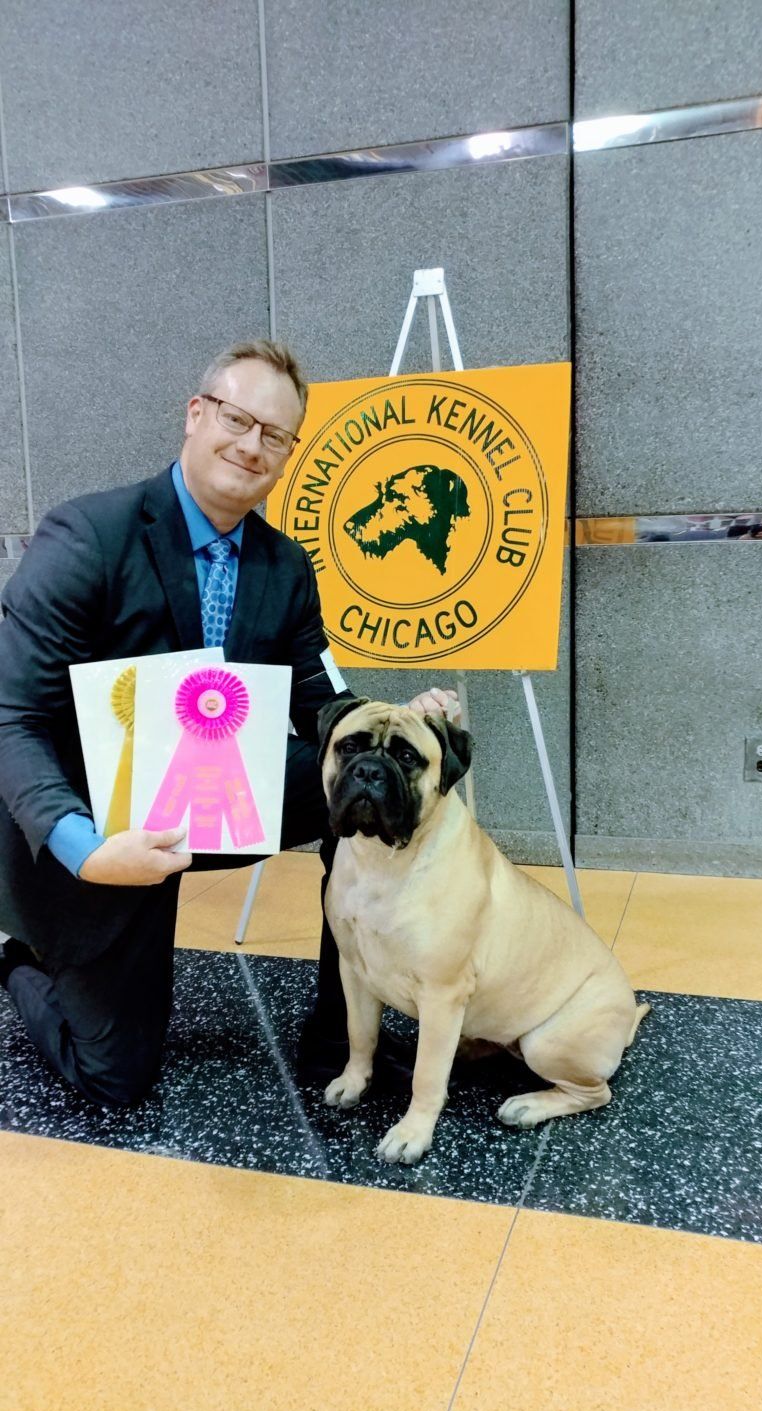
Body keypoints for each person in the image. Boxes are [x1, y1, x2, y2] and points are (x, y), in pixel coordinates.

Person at [0, 340, 455, 1107]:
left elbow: (322, 699)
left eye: (274, 435)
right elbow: (13, 719)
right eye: (237, 419)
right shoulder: (86, 537)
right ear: (196, 413)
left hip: (212, 797)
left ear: (287, 453)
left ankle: (341, 1035)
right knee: (114, 1076)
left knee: (361, 778)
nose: (251, 445)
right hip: (97, 828)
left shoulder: (285, 566)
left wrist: (393, 727)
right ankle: (18, 957)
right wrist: (87, 851)